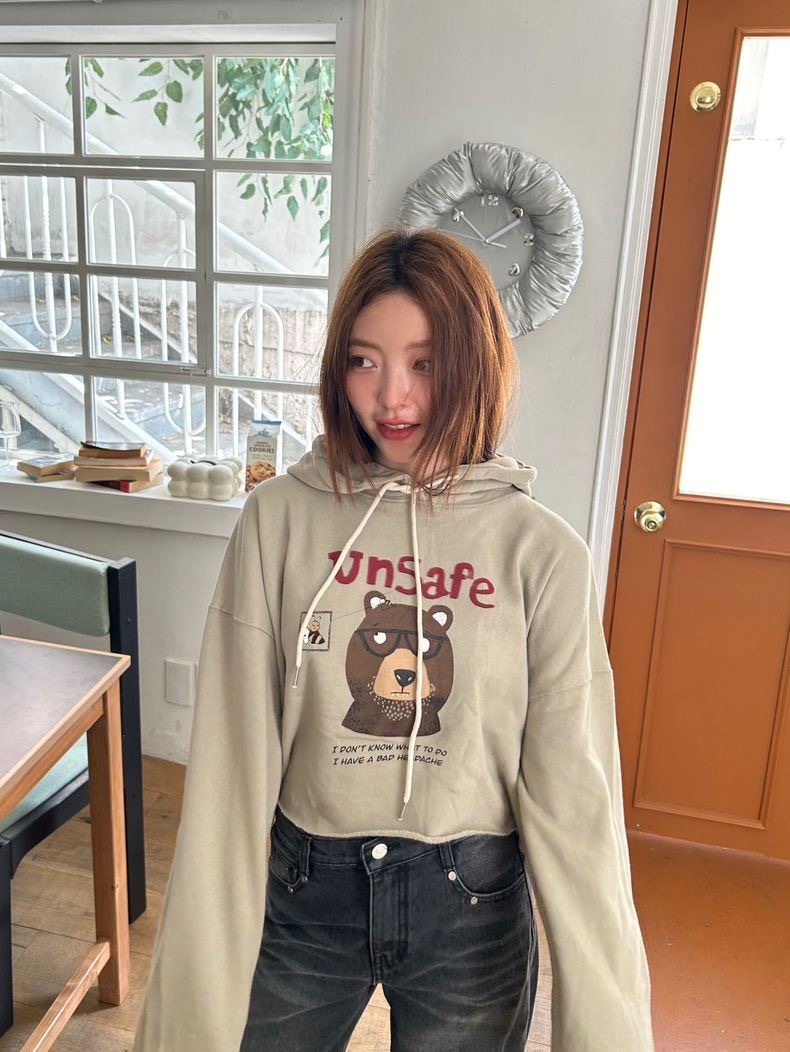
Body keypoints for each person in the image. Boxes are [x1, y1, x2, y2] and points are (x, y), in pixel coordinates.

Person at [133, 227, 655, 1051]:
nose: (391, 398)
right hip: (306, 889)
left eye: (424, 362)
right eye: (363, 360)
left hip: (470, 902)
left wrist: (608, 1028)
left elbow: (575, 798)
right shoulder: (279, 520)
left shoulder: (541, 553)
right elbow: (232, 761)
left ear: (477, 365)